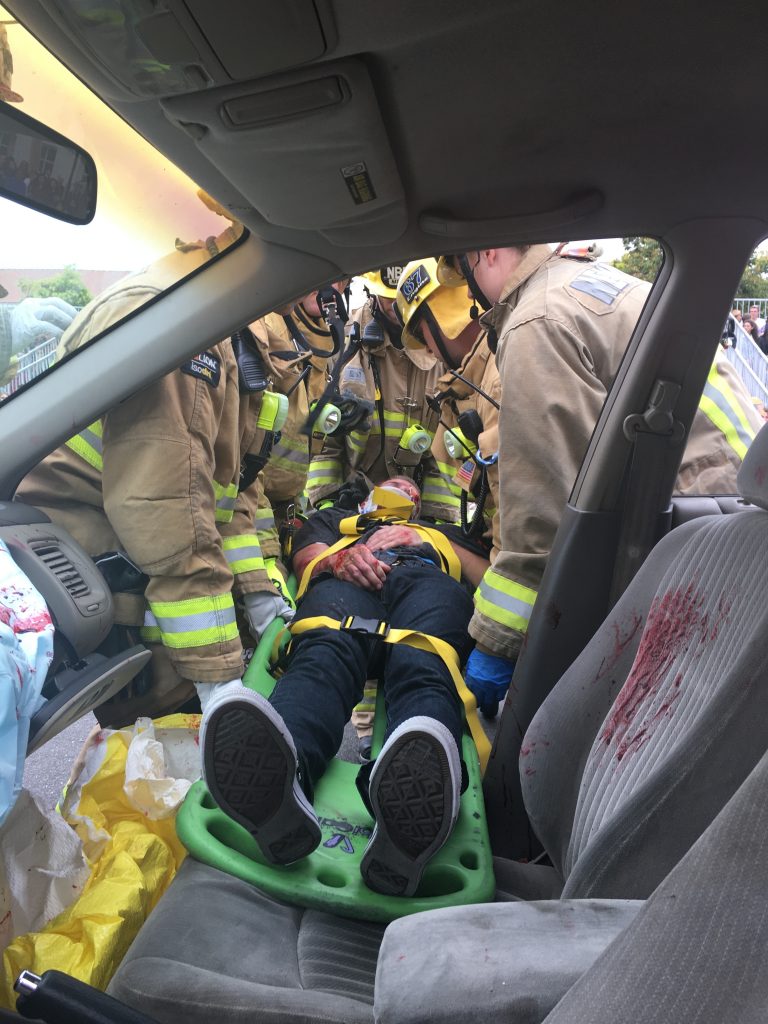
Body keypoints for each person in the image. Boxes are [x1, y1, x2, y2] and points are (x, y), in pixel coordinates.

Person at [437, 245, 764, 711]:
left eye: (464, 270)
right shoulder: (596, 284)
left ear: (485, 252)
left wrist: (496, 645)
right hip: (735, 511)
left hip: (699, 540)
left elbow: (544, 522)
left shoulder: (536, 320)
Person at [17, 195, 292, 725]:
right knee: (160, 738)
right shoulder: (188, 328)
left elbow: (231, 493)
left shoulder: (234, 326)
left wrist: (257, 594)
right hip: (102, 586)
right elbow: (168, 513)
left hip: (148, 576)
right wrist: (217, 677)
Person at [200, 477, 489, 897]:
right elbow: (307, 562)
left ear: (419, 505)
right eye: (392, 483)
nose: (402, 489)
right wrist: (339, 561)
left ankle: (408, 800)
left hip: (426, 585)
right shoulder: (335, 519)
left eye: (410, 490)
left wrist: (420, 534)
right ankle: (285, 781)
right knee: (324, 655)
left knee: (425, 663)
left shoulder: (441, 532)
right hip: (347, 585)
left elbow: (484, 574)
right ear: (369, 494)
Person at [305, 266, 450, 520]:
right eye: (390, 298)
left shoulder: (440, 349)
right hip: (348, 505)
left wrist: (437, 523)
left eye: (406, 298)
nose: (399, 307)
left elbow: (443, 454)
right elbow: (325, 443)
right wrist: (327, 508)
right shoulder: (342, 343)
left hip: (414, 513)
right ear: (371, 291)